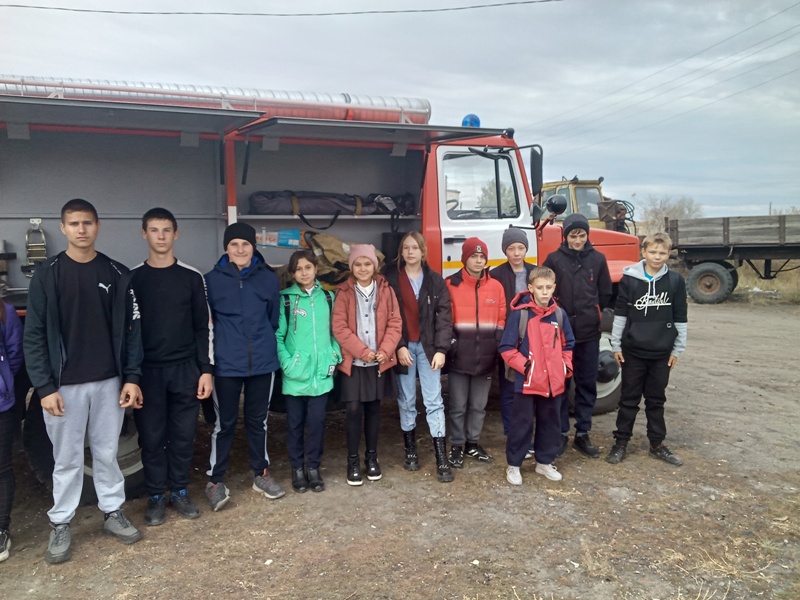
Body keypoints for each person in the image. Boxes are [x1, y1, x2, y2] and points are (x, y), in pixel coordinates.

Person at [24, 198, 144, 565]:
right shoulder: (48, 274)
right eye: (74, 223)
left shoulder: (116, 272)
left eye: (87, 223)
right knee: (67, 459)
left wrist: (132, 378)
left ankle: (112, 512)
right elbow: (35, 334)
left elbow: (132, 331)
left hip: (108, 382)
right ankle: (61, 522)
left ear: (98, 226)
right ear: (63, 228)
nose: (81, 229)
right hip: (65, 386)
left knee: (106, 454)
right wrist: (45, 388)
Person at [131, 208, 213, 526]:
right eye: (154, 230)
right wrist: (132, 376)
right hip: (148, 372)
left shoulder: (192, 278)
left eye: (167, 230)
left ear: (176, 234)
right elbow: (130, 331)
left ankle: (179, 491)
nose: (161, 236)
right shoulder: (134, 279)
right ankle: (155, 497)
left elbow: (200, 327)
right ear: (144, 234)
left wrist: (205, 369)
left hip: (185, 370)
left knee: (182, 436)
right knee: (151, 438)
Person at [205, 222, 283, 510]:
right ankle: (215, 480)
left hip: (262, 362)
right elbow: (208, 322)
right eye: (234, 244)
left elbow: (273, 319)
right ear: (226, 247)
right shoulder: (211, 280)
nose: (240, 249)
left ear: (254, 247)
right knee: (223, 424)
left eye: (246, 244)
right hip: (226, 363)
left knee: (257, 421)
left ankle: (260, 473)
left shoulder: (268, 279)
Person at [605, 232, 687, 466]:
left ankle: (657, 444)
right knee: (629, 399)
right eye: (653, 252)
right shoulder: (629, 280)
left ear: (668, 254)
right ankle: (620, 443)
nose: (657, 257)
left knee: (656, 399)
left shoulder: (675, 282)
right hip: (633, 351)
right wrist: (617, 345)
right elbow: (620, 314)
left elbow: (681, 316)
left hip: (662, 353)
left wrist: (677, 349)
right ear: (644, 252)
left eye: (662, 253)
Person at [384, 232, 454, 484]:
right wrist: (398, 346)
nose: (410, 252)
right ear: (401, 252)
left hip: (428, 348)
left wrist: (441, 349)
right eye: (406, 248)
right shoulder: (391, 279)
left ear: (423, 251)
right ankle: (410, 450)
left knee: (434, 400)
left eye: (415, 248)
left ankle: (440, 456)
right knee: (406, 400)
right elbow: (387, 315)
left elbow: (444, 317)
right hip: (404, 348)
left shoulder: (435, 281)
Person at [542, 213, 611, 459]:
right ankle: (560, 433)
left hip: (589, 333)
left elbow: (604, 294)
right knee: (561, 385)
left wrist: (594, 316)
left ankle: (583, 433)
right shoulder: (554, 259)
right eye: (573, 235)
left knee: (586, 383)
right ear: (566, 236)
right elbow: (545, 291)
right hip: (561, 335)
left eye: (582, 235)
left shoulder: (598, 260)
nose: (578, 240)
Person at [332, 244, 402, 486]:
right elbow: (339, 328)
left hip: (378, 361)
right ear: (352, 267)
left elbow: (395, 322)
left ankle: (371, 457)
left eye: (367, 264)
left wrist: (385, 350)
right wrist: (363, 351)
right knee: (353, 409)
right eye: (358, 264)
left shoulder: (386, 290)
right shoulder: (343, 292)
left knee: (374, 408)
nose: (363, 268)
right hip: (355, 361)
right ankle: (352, 460)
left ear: (375, 266)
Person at [500, 267, 574, 484]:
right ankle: (514, 465)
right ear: (530, 288)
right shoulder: (520, 315)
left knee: (550, 423)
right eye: (539, 288)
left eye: (548, 287)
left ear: (554, 288)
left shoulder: (559, 315)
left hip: (553, 383)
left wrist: (565, 368)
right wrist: (526, 367)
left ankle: (544, 462)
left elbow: (568, 344)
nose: (544, 292)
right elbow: (506, 348)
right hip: (527, 382)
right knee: (521, 424)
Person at [277, 249, 341, 493]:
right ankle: (297, 469)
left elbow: (335, 332)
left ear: (316, 269)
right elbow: (278, 335)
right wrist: (287, 362)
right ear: (292, 273)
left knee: (317, 422)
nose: (303, 273)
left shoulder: (328, 298)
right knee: (294, 423)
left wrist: (334, 355)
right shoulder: (285, 299)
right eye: (298, 269)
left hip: (321, 374)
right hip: (295, 375)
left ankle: (313, 468)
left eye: (308, 267)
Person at [445, 237, 506, 467]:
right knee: (458, 406)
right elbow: (445, 319)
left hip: (487, 358)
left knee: (478, 406)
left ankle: (472, 443)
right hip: (460, 356)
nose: (479, 261)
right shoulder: (451, 284)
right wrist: (452, 345)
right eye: (474, 256)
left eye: (482, 257)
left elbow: (501, 319)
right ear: (465, 258)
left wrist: (496, 345)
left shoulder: (496, 286)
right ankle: (457, 445)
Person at [490, 228, 534, 437]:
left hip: (532, 338)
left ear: (526, 249)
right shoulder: (496, 275)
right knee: (508, 387)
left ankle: (527, 433)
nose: (516, 253)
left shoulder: (535, 273)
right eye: (511, 249)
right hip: (508, 338)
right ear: (505, 251)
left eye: (520, 248)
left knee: (529, 386)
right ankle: (511, 432)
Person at [0, 298, 23, 562]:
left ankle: (1, 529)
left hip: (1, 405)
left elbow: (15, 355)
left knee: (2, 468)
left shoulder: (5, 311)